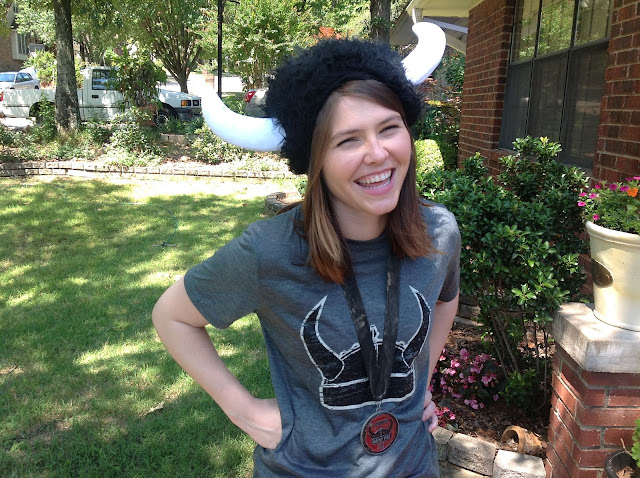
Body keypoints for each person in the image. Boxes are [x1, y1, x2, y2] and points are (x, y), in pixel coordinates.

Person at [152, 31, 460, 478]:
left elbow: (445, 298)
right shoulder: (270, 250)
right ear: (316, 160)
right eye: (347, 140)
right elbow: (172, 316)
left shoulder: (439, 232)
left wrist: (419, 379)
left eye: (389, 128)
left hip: (413, 465)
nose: (377, 154)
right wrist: (243, 410)